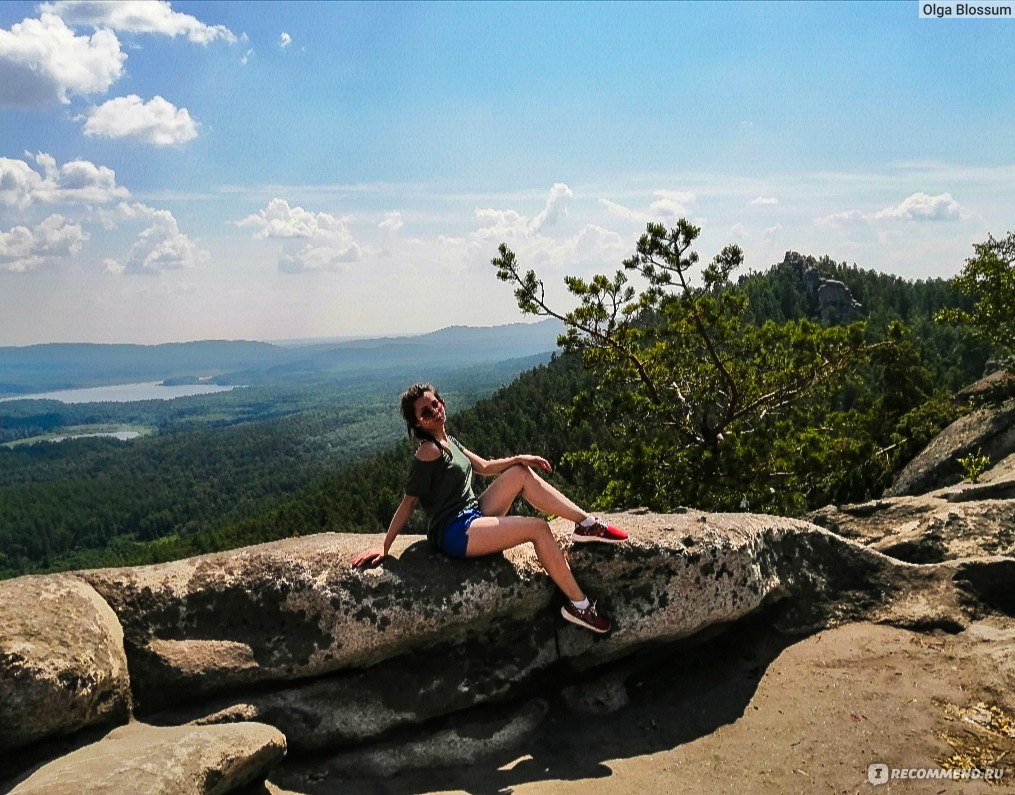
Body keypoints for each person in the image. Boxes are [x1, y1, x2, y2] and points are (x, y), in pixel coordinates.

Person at [351, 383, 628, 633]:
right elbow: (408, 502)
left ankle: (585, 523)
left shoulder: (449, 442)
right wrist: (385, 547)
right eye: (425, 412)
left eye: (435, 404)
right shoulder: (429, 451)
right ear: (418, 424)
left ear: (442, 403)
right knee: (538, 528)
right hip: (455, 532)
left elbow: (484, 467)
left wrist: (521, 458)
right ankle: (579, 606)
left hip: (473, 514)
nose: (434, 411)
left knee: (520, 473)